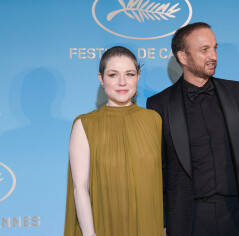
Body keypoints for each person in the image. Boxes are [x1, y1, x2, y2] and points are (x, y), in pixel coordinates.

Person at [147, 23, 239, 236]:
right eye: (204, 50)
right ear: (183, 57)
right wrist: (162, 221)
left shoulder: (237, 93)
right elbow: (159, 170)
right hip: (188, 217)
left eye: (215, 48)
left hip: (238, 214)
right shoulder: (159, 104)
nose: (213, 55)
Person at [64, 46, 164, 236]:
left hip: (149, 225)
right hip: (103, 228)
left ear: (138, 76)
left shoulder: (154, 120)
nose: (122, 82)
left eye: (129, 74)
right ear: (101, 79)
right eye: (113, 75)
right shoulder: (84, 124)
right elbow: (80, 188)